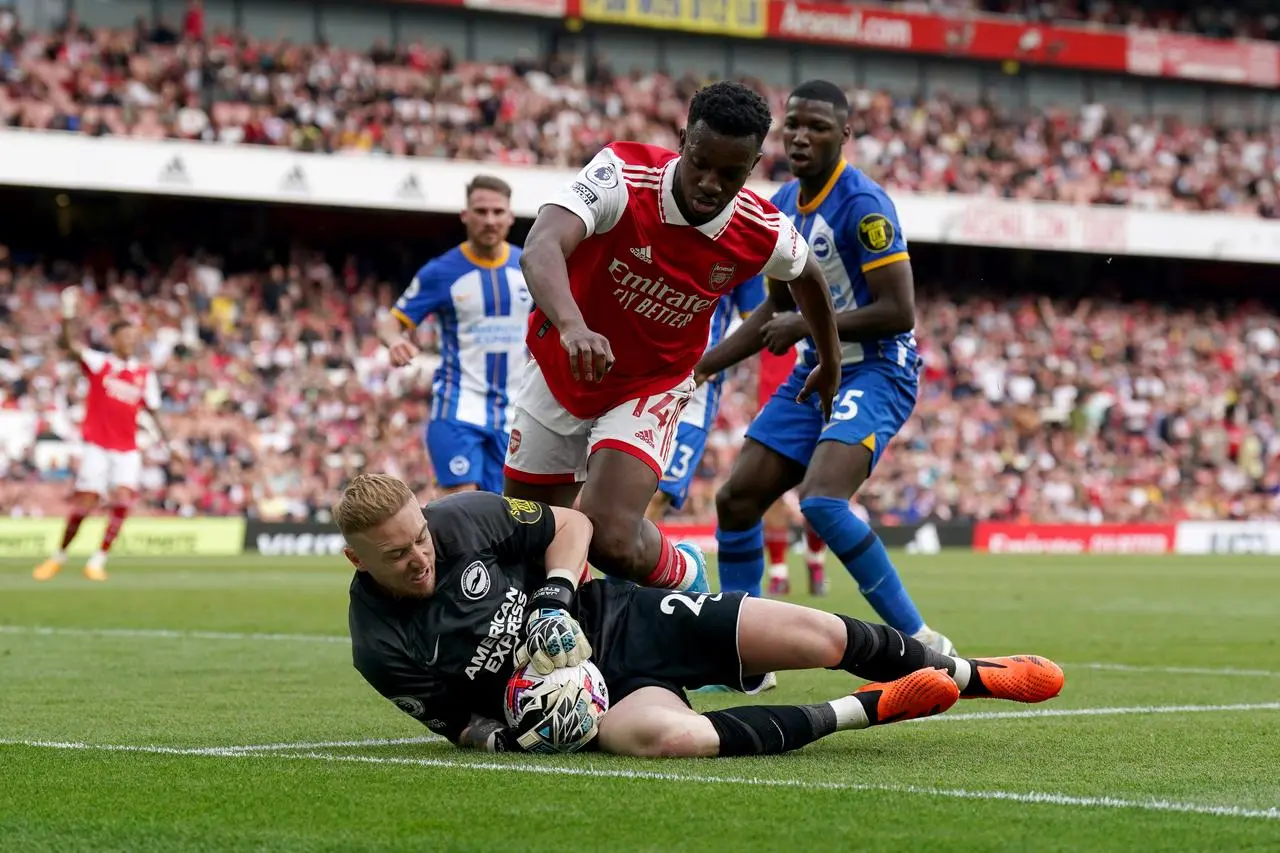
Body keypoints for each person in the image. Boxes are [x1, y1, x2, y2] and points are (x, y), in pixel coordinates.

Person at [340, 473, 1064, 757]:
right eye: (398, 556)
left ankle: (973, 673)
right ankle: (869, 708)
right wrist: (503, 734)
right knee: (671, 738)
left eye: (422, 539)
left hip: (617, 618)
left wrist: (558, 591)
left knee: (814, 633)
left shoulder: (462, 517)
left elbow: (573, 523)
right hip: (584, 705)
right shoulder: (377, 645)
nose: (421, 557)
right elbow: (451, 722)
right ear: (357, 562)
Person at [503, 81, 843, 595]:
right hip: (560, 364)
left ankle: (686, 572)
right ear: (684, 139)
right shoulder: (621, 173)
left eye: (729, 174)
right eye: (700, 162)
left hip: (651, 383)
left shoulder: (759, 227)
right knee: (532, 537)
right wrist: (574, 325)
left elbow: (808, 275)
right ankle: (568, 638)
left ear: (751, 168)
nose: (709, 183)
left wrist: (830, 358)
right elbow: (541, 246)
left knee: (611, 536)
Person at [698, 80, 954, 654]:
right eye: (793, 125)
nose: (801, 137)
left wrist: (813, 328)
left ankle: (921, 639)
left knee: (821, 500)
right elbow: (775, 309)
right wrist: (702, 366)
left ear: (844, 135)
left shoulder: (863, 206)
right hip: (815, 370)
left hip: (879, 369)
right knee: (736, 500)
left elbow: (898, 310)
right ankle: (742, 656)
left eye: (816, 127)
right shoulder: (782, 206)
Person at [377, 175, 531, 495]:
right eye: (481, 211)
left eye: (497, 212)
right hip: (458, 408)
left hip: (516, 414)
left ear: (510, 217)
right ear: (465, 215)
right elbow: (390, 322)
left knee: (508, 515)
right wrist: (395, 341)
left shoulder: (529, 267)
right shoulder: (440, 272)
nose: (490, 220)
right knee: (464, 508)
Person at [33, 288, 167, 582]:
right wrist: (68, 314)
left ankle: (97, 560)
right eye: (127, 336)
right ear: (114, 339)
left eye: (135, 337)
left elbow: (154, 411)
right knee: (86, 503)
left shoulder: (145, 374)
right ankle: (59, 556)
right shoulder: (100, 363)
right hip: (97, 444)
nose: (132, 341)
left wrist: (170, 443)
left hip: (127, 448)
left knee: (123, 500)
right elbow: (68, 345)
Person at [644, 278, 764, 525]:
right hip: (650, 370)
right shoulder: (659, 240)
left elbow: (756, 323)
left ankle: (625, 556)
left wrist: (713, 363)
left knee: (662, 491)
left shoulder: (748, 248)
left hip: (700, 388)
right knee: (629, 480)